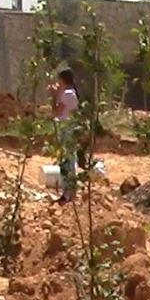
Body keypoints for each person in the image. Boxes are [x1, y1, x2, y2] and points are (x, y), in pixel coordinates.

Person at [51, 68, 80, 203]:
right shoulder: (71, 93)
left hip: (66, 128)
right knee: (69, 159)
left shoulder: (67, 94)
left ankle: (68, 193)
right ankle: (70, 192)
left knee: (67, 160)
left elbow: (57, 111)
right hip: (69, 127)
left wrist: (55, 95)